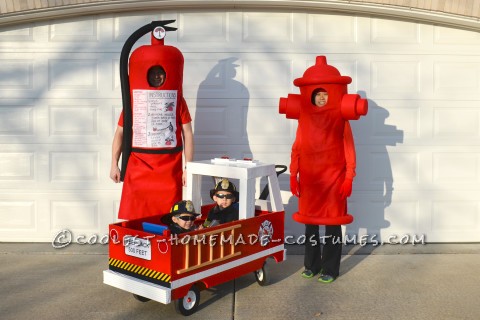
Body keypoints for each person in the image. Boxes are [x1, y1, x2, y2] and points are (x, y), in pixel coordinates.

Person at [110, 64, 194, 220]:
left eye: (160, 73)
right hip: (139, 167)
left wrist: (188, 167)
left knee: (169, 217)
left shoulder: (177, 101)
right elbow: (120, 132)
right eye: (153, 73)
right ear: (146, 76)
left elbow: (187, 133)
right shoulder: (134, 101)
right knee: (136, 216)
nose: (157, 76)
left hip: (169, 170)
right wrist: (114, 163)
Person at [290, 86, 356, 283]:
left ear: (332, 95)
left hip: (334, 180)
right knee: (310, 225)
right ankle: (312, 265)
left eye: (325, 94)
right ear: (311, 96)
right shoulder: (305, 118)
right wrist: (294, 174)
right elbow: (297, 147)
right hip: (310, 181)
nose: (321, 97)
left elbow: (349, 150)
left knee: (332, 226)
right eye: (317, 94)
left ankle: (330, 269)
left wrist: (348, 177)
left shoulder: (341, 119)